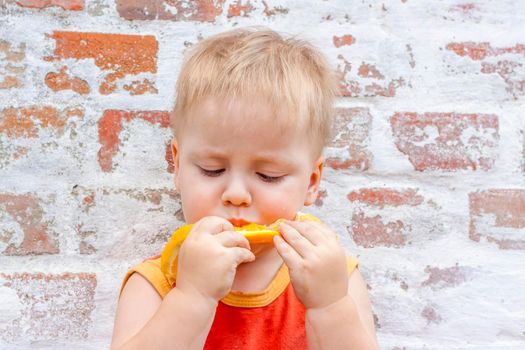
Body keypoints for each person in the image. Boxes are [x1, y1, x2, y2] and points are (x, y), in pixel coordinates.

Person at [110, 27, 379, 350]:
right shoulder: (155, 283)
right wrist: (192, 298)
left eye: (268, 175)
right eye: (213, 170)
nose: (236, 194)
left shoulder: (336, 279)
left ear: (311, 181)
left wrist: (329, 306)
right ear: (177, 165)